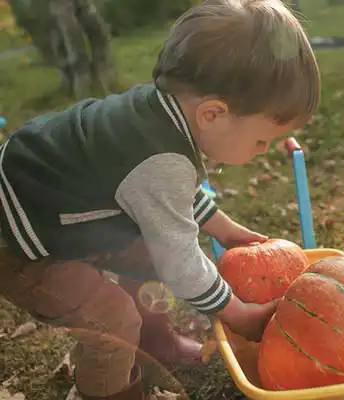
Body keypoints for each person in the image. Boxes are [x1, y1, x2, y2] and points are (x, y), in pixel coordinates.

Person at [0, 0, 320, 398]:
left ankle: (155, 342)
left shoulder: (161, 115)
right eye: (261, 140)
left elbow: (167, 197)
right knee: (111, 322)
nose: (261, 150)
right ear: (213, 114)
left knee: (144, 253)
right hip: (24, 247)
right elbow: (180, 260)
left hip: (49, 201)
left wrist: (226, 228)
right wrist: (238, 314)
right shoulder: (161, 159)